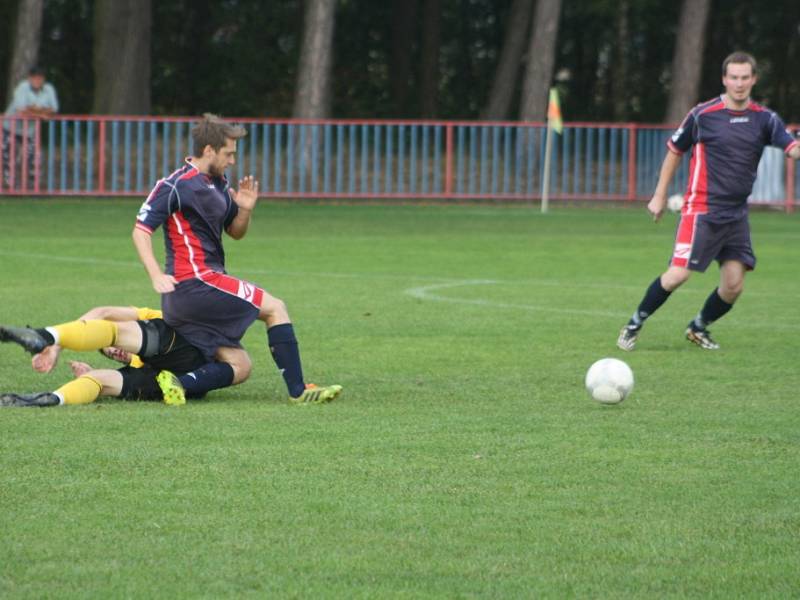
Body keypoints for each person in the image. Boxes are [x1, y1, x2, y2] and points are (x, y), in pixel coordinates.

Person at [132, 113, 342, 404]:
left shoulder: (218, 182)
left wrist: (244, 209)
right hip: (196, 283)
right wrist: (155, 274)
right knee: (275, 308)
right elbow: (141, 231)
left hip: (197, 293)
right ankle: (299, 391)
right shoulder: (175, 185)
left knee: (240, 366)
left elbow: (235, 232)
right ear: (208, 150)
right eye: (228, 153)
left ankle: (175, 384)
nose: (232, 160)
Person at [617, 51, 800, 352]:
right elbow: (675, 151)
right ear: (724, 79)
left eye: (745, 78)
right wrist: (660, 195)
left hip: (736, 214)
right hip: (701, 209)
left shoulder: (765, 119)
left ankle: (698, 327)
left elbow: (791, 149)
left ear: (753, 79)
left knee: (733, 286)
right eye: (734, 78)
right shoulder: (703, 115)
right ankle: (634, 323)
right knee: (678, 274)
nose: (739, 84)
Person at [0, 309, 244, 407]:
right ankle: (54, 398)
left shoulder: (152, 319)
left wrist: (56, 346)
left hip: (186, 353)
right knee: (98, 380)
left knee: (116, 331)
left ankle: (46, 336)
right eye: (113, 354)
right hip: (168, 381)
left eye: (113, 348)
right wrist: (87, 376)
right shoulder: (138, 364)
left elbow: (102, 313)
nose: (116, 352)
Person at [2, 65, 59, 186]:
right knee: (8, 155)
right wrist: (41, 113)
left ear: (43, 79)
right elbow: (21, 109)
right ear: (29, 78)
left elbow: (54, 109)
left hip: (29, 130)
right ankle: (9, 184)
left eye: (40, 78)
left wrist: (33, 110)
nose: (37, 81)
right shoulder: (23, 87)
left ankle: (34, 184)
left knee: (35, 156)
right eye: (35, 78)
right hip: (10, 127)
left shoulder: (48, 89)